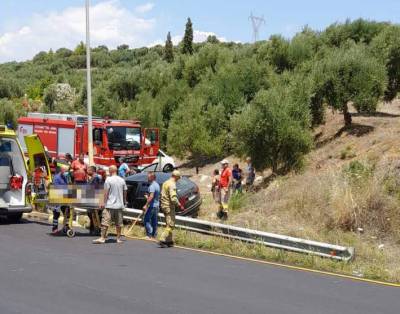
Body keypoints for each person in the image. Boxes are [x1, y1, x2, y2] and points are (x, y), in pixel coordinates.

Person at [93, 165, 127, 244]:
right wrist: (124, 201)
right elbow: (125, 191)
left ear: (111, 171)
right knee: (119, 223)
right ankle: (118, 238)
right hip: (119, 205)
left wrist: (102, 202)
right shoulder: (122, 180)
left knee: (105, 222)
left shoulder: (108, 180)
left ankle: (102, 238)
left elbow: (106, 192)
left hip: (110, 205)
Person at [159, 170, 184, 247]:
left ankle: (169, 241)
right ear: (176, 177)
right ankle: (162, 239)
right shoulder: (172, 185)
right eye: (178, 178)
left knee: (168, 223)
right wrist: (179, 205)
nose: (178, 179)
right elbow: (173, 198)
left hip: (164, 205)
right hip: (169, 206)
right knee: (171, 225)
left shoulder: (166, 182)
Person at [51, 165, 71, 234]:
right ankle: (54, 228)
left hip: (65, 198)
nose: (66, 172)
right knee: (56, 214)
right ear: (62, 170)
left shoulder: (66, 177)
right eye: (65, 171)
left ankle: (66, 227)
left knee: (67, 213)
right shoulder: (57, 178)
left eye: (67, 171)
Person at [142, 172, 160, 239]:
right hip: (156, 205)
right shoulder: (157, 185)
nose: (147, 178)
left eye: (148, 177)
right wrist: (148, 197)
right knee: (154, 221)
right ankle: (154, 235)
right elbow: (154, 196)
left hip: (152, 206)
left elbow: (151, 196)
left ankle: (149, 234)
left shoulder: (152, 186)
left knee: (146, 219)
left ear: (152, 177)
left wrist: (146, 205)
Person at [87, 165, 103, 235]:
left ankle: (96, 229)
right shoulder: (94, 177)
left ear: (92, 171)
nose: (87, 171)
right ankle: (93, 228)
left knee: (93, 214)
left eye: (88, 170)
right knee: (92, 214)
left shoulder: (96, 178)